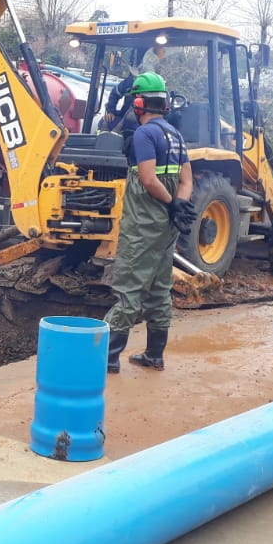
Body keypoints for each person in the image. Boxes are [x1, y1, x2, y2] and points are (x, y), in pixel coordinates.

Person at [104, 73, 196, 373]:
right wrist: (177, 207)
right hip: (166, 226)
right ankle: (154, 355)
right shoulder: (176, 136)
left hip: (144, 224)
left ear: (139, 103)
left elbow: (147, 180)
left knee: (129, 287)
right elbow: (186, 181)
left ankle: (107, 358)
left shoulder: (145, 134)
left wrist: (169, 204)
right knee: (159, 288)